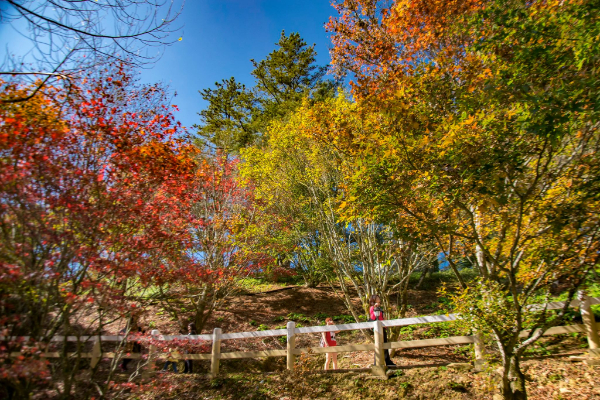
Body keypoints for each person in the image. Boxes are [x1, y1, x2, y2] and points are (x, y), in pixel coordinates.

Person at [369, 294, 396, 367]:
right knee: (378, 345)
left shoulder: (380, 308)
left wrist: (386, 324)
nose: (379, 299)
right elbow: (373, 317)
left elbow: (383, 317)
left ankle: (387, 361)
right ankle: (377, 363)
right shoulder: (372, 307)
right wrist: (375, 308)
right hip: (377, 329)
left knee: (385, 344)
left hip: (383, 327)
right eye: (377, 298)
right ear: (374, 299)